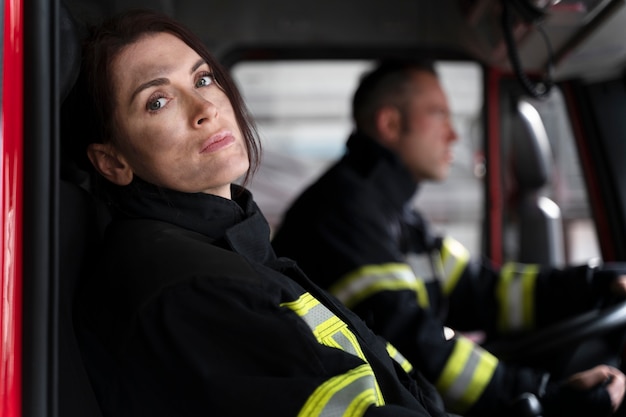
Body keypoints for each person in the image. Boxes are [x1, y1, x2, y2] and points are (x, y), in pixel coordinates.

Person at [67, 9, 460, 417]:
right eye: (158, 101)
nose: (205, 107)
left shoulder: (226, 245)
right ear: (112, 163)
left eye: (203, 79)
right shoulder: (187, 288)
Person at [271, 59, 626, 416]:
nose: (453, 134)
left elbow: (483, 291)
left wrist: (593, 283)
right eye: (438, 114)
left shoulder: (395, 213)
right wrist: (542, 395)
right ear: (390, 123)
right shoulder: (343, 213)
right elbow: (415, 347)